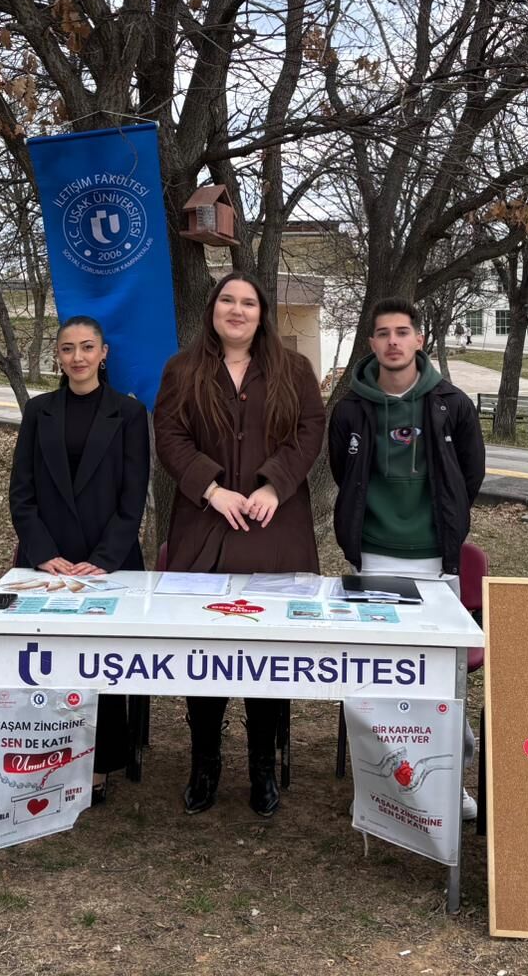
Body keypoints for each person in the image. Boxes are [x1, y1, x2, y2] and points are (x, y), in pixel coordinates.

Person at [153, 272, 325, 818]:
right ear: (212, 310)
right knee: (204, 654)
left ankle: (262, 767)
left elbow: (310, 429)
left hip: (274, 528)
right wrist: (210, 487)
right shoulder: (182, 370)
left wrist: (274, 483)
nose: (237, 310)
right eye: (227, 300)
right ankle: (205, 761)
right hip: (205, 527)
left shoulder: (292, 369)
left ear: (261, 313)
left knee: (267, 655)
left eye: (248, 302)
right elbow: (169, 434)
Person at [328, 298, 486, 818]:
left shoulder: (451, 403)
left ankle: (450, 779)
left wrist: (445, 527)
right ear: (370, 343)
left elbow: (469, 476)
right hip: (375, 556)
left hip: (436, 561)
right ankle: (390, 781)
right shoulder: (352, 407)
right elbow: (342, 470)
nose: (393, 341)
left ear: (420, 339)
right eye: (382, 333)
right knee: (383, 671)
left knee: (440, 675)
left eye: (402, 332)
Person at [5, 315, 150, 803]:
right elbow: (21, 494)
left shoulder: (129, 415)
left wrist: (103, 559)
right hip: (47, 562)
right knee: (43, 659)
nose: (78, 357)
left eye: (88, 347)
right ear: (58, 357)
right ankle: (43, 752)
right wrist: (44, 554)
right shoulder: (39, 411)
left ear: (104, 353)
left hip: (109, 561)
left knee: (101, 664)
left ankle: (102, 762)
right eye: (68, 349)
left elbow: (133, 499)